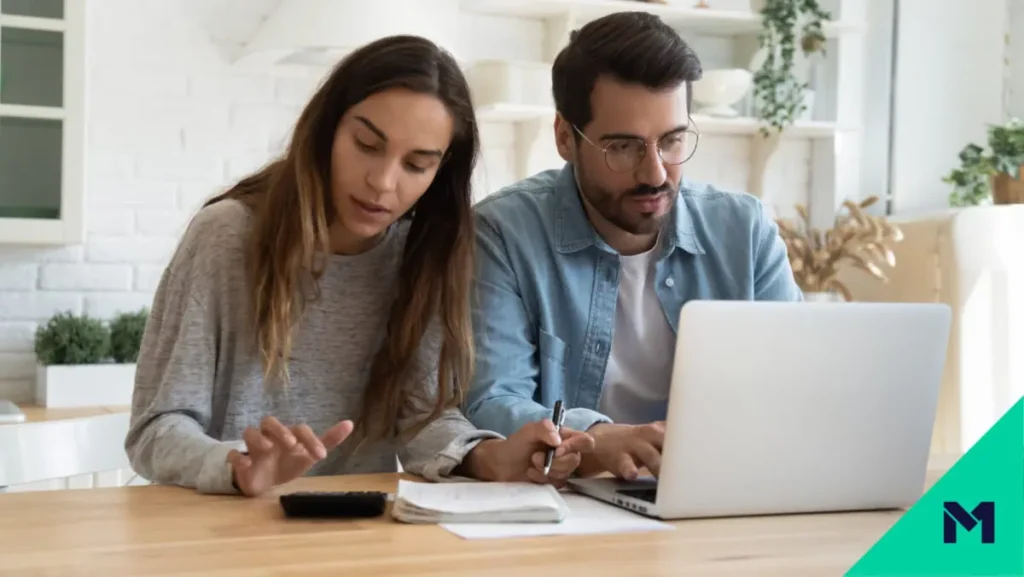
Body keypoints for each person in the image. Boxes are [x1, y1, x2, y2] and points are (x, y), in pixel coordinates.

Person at [124, 35, 593, 497]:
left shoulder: (422, 254)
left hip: (351, 534)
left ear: (440, 171)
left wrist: (492, 456)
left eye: (416, 164)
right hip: (216, 538)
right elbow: (156, 428)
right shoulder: (225, 237)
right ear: (328, 129)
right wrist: (238, 466)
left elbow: (420, 422)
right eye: (367, 145)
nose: (382, 182)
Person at [463, 13, 802, 481]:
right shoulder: (502, 233)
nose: (655, 173)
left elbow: (798, 385)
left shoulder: (745, 231)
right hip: (568, 505)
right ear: (565, 137)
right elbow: (490, 400)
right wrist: (597, 439)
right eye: (623, 147)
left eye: (672, 140)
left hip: (723, 488)